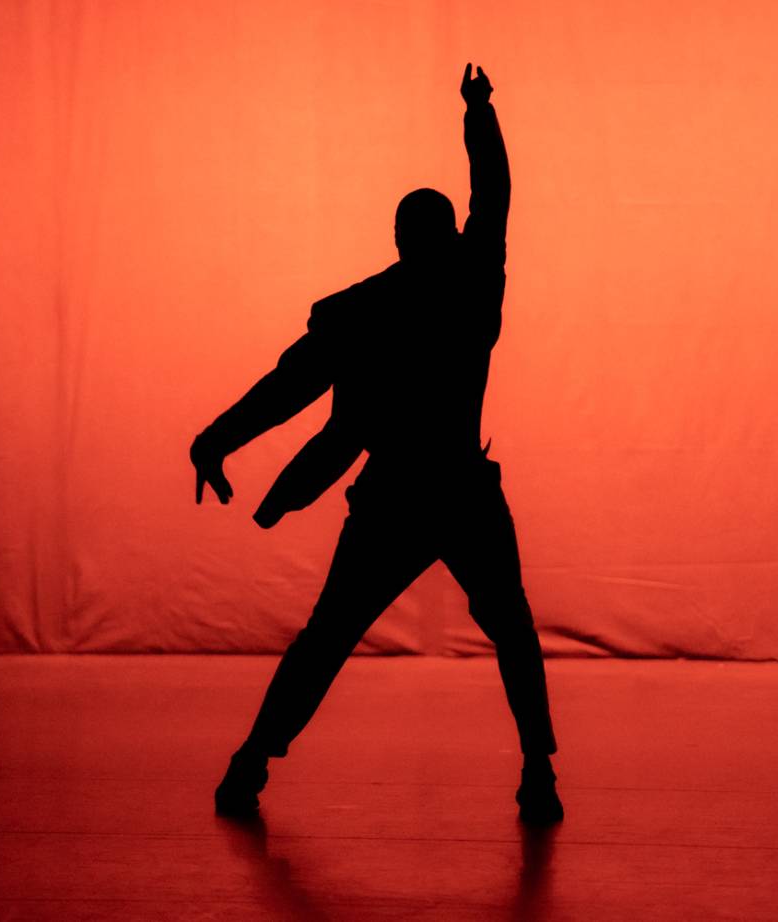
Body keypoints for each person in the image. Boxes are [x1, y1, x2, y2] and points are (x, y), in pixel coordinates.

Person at [191, 64, 561, 824]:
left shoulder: (364, 310)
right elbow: (494, 196)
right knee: (509, 629)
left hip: (397, 496)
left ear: (397, 240)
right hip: (457, 490)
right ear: (449, 235)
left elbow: (286, 388)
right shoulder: (470, 284)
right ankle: (538, 770)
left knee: (329, 637)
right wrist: (479, 112)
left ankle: (250, 762)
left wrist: (218, 439)